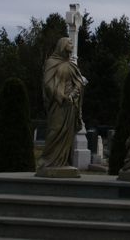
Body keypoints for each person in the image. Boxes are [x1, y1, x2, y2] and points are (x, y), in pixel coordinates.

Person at [37, 37, 85, 170]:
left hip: (70, 105)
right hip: (58, 104)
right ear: (62, 45)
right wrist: (62, 96)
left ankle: (63, 162)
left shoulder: (71, 65)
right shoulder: (51, 62)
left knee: (67, 134)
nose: (72, 45)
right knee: (55, 130)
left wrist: (73, 94)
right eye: (69, 43)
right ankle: (48, 160)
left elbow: (79, 83)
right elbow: (47, 84)